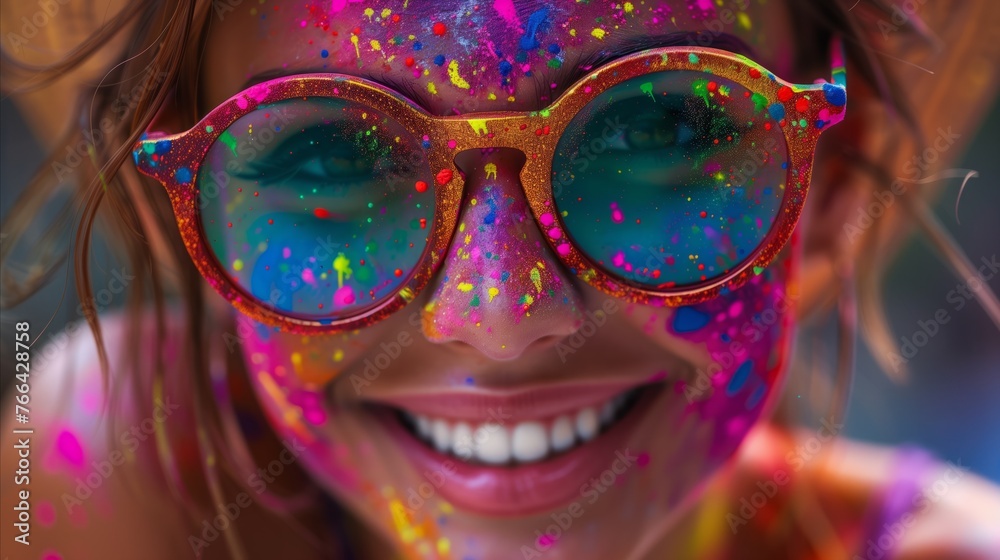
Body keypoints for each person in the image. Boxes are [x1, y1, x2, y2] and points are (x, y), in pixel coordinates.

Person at [1, 1, 998, 558]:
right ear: (191, 212)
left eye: (656, 131)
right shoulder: (116, 475)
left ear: (829, 174)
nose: (498, 319)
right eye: (330, 159)